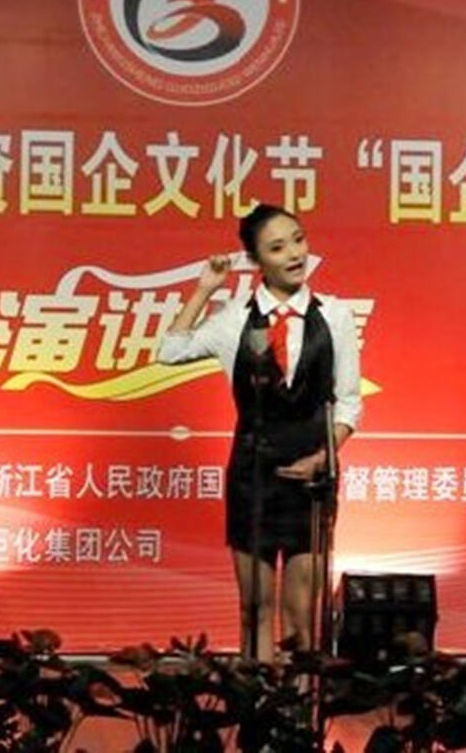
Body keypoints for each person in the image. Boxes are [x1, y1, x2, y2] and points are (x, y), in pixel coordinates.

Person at [158, 203, 363, 661]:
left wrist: (325, 456)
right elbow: (170, 351)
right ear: (256, 260)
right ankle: (259, 701)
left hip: (312, 481)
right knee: (255, 609)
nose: (294, 254)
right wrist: (204, 289)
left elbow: (349, 401)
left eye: (298, 240)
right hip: (253, 477)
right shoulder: (234, 319)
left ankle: (300, 703)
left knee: (302, 615)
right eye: (278, 247)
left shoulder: (336, 316)